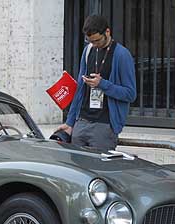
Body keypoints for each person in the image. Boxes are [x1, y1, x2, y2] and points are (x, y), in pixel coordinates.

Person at [55, 15, 136, 151]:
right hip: (81, 122)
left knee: (99, 169)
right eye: (90, 41)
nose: (94, 44)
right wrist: (70, 122)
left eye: (97, 40)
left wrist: (102, 84)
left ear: (107, 32)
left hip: (104, 125)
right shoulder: (88, 51)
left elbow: (130, 94)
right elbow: (80, 89)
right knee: (77, 168)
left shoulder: (122, 55)